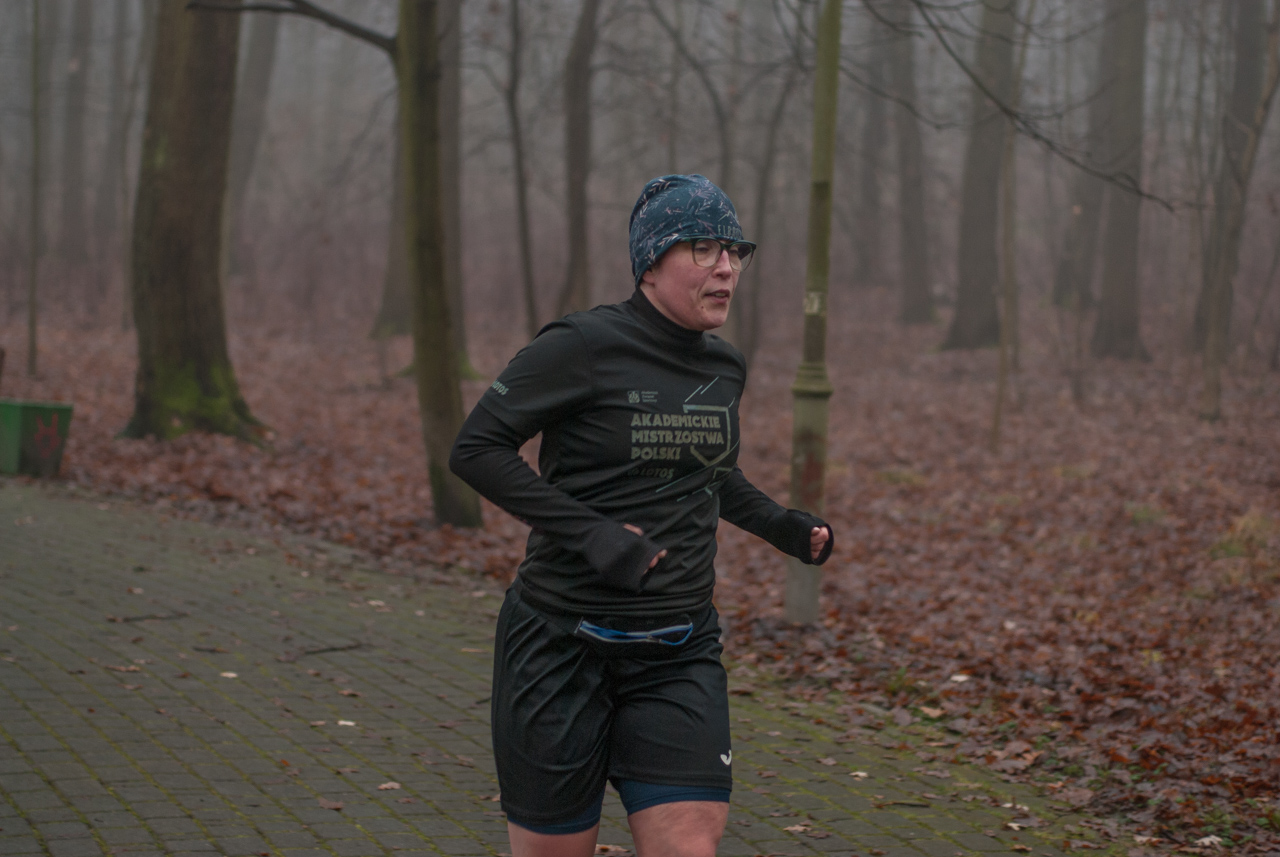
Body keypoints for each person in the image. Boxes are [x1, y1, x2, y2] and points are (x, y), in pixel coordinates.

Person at [449, 174, 833, 857]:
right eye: (705, 248)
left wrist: (783, 525)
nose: (727, 267)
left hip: (676, 649)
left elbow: (710, 474)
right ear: (651, 262)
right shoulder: (581, 344)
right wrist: (590, 531)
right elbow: (477, 448)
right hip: (560, 643)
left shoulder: (725, 367)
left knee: (689, 845)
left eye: (735, 251)